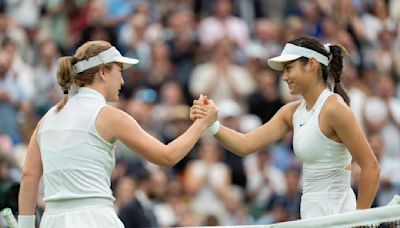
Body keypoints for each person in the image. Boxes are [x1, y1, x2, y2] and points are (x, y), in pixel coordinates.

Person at [18, 40, 217, 228]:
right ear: (103, 72)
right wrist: (202, 123)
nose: (122, 80)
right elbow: (167, 156)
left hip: (52, 222)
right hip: (96, 220)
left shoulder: (46, 119)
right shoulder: (110, 116)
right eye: (119, 71)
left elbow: (29, 176)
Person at [190, 37, 380, 219]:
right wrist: (211, 124)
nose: (285, 77)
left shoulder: (334, 107)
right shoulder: (291, 112)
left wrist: (359, 220)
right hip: (311, 216)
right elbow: (245, 144)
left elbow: (370, 167)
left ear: (312, 65)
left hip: (339, 217)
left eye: (289, 68)